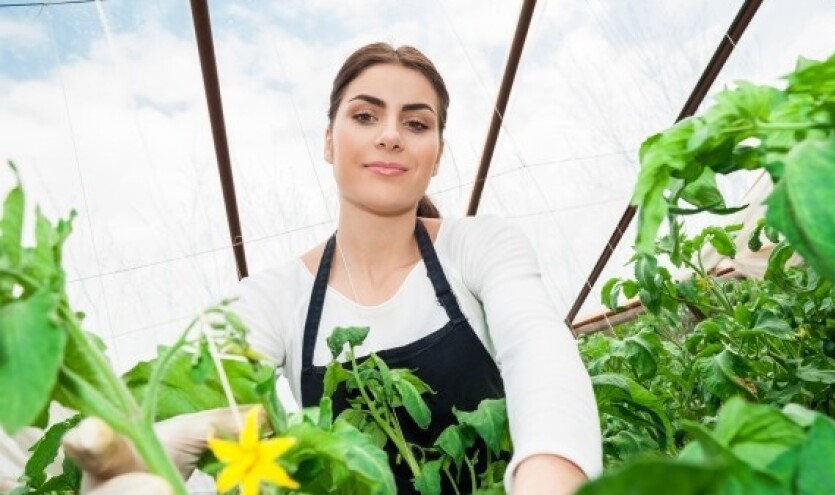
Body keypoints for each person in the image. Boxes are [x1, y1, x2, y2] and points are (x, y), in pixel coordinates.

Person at [65, 42, 603, 494]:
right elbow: (211, 397)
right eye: (366, 116)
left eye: (416, 123)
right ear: (328, 141)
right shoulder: (272, 298)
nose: (390, 135)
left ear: (437, 154)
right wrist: (150, 460)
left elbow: (540, 354)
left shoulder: (479, 246)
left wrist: (550, 476)